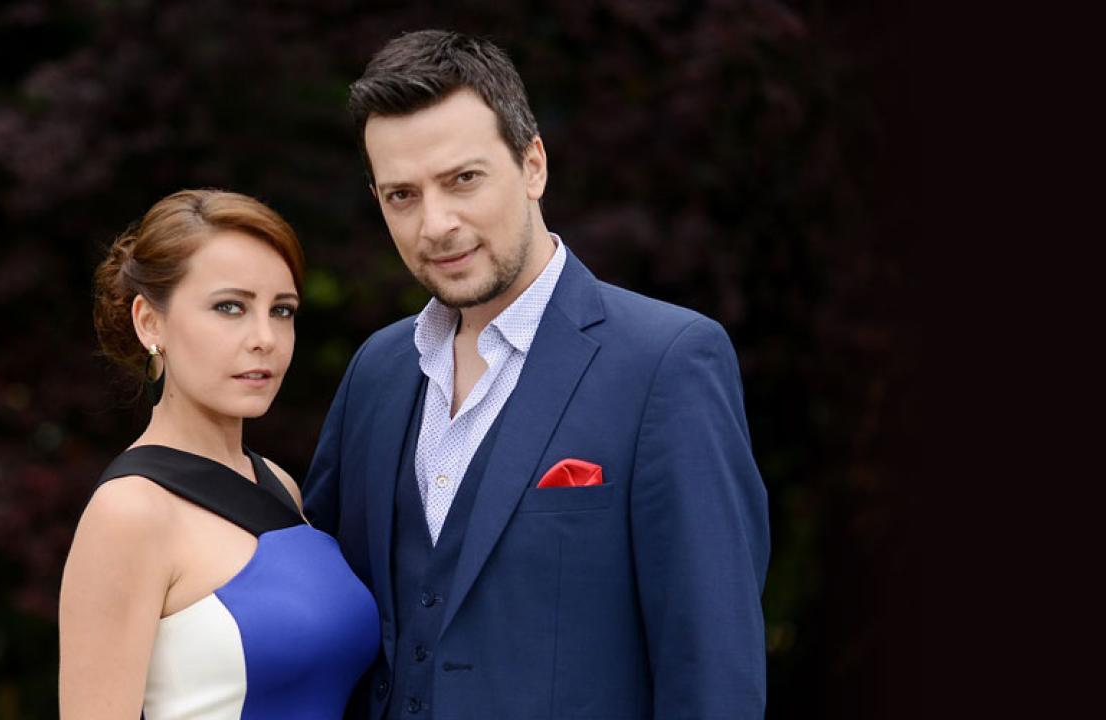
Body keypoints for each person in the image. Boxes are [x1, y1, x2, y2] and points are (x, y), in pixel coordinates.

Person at [304, 30, 770, 719]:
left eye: (463, 180)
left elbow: (712, 668)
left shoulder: (667, 363)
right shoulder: (377, 371)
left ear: (533, 166)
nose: (436, 224)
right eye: (402, 195)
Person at [58, 189, 380, 719]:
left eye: (282, 310)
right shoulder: (130, 513)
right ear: (149, 322)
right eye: (230, 307)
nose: (265, 338)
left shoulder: (278, 484)